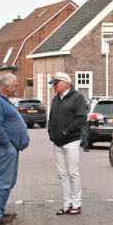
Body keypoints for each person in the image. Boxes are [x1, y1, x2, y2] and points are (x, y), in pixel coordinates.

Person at [0, 72, 28, 225]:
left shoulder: (2, 100)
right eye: (15, 85)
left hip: (10, 148)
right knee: (3, 180)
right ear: (7, 87)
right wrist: (8, 145)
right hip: (4, 148)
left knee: (9, 180)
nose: (17, 88)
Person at [46, 72, 86, 214]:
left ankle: (76, 203)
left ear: (67, 83)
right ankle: (66, 203)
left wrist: (67, 131)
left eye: (57, 83)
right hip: (57, 142)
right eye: (53, 84)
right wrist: (51, 133)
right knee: (62, 173)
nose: (54, 86)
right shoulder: (56, 99)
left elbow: (81, 119)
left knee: (73, 172)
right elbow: (51, 118)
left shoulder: (78, 98)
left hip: (71, 140)